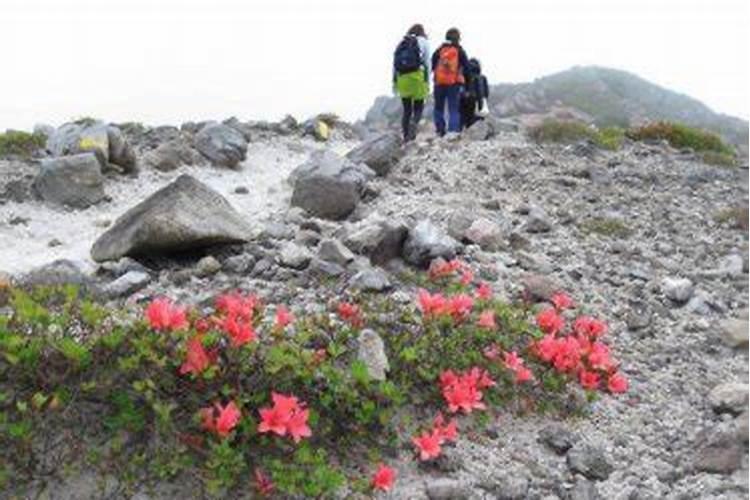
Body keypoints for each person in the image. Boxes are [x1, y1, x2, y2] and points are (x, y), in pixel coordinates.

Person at [393, 24, 431, 142]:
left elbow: (394, 66)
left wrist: (394, 83)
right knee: (418, 107)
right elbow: (427, 64)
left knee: (407, 110)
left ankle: (406, 138)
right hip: (417, 77)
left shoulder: (402, 43)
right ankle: (414, 125)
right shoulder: (424, 42)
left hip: (402, 79)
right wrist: (427, 82)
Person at [431, 27, 470, 137]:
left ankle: (440, 130)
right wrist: (467, 84)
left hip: (439, 83)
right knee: (453, 108)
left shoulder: (439, 50)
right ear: (458, 38)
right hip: (454, 83)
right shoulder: (459, 50)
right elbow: (467, 68)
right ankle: (452, 131)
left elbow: (433, 65)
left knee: (438, 107)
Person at [460, 58, 490, 130]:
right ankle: (475, 129)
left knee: (463, 117)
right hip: (477, 100)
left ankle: (460, 132)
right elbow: (486, 93)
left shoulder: (463, 75)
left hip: (463, 98)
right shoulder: (483, 77)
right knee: (474, 117)